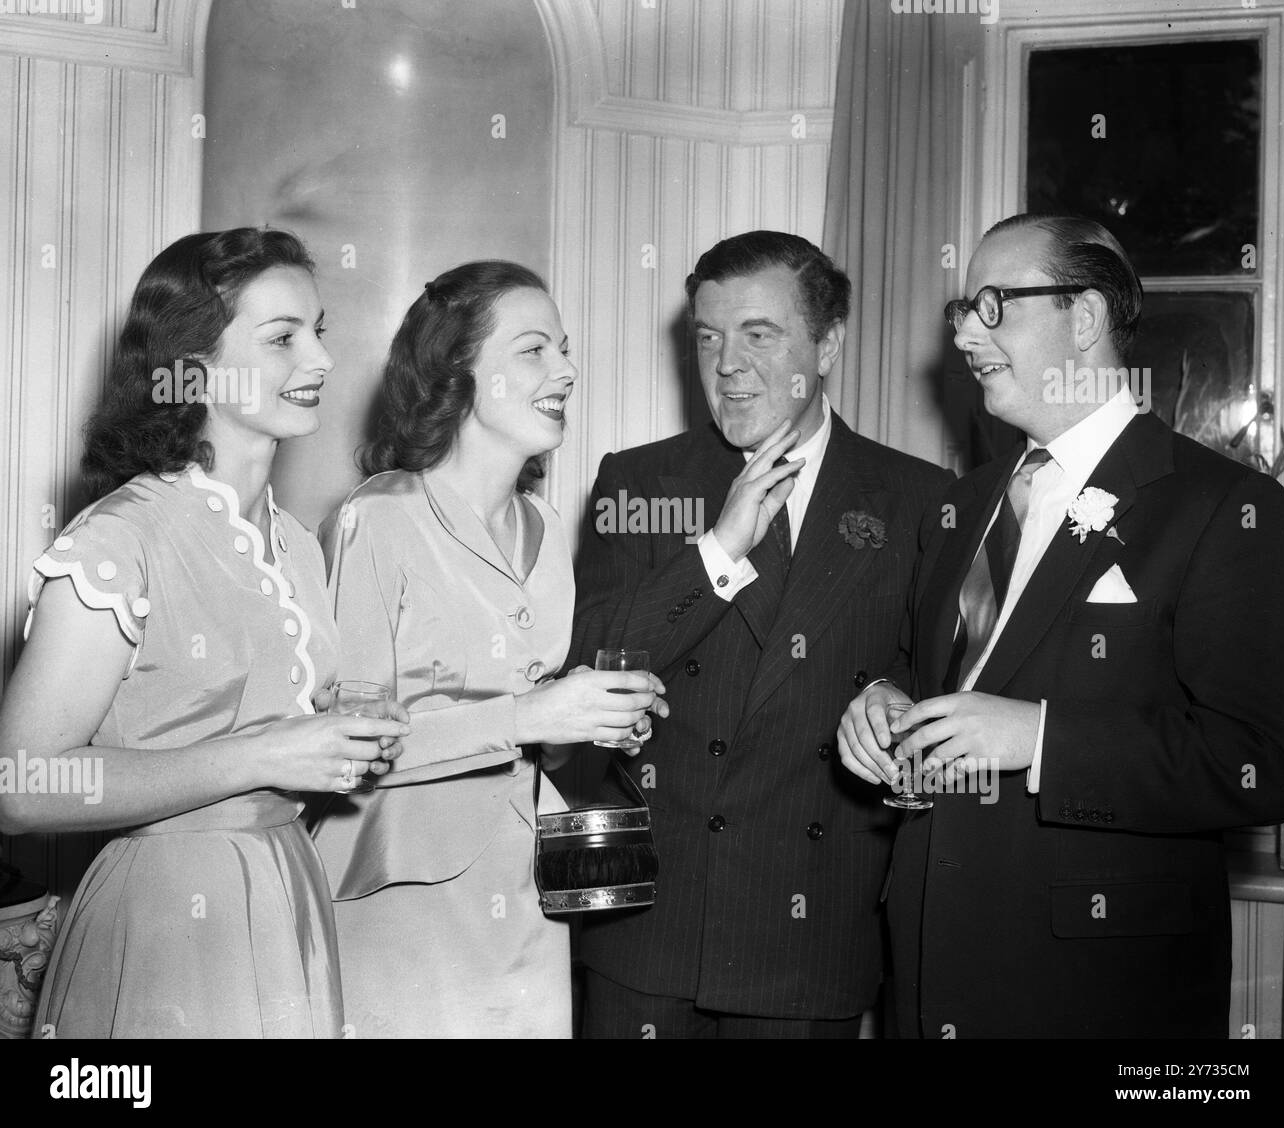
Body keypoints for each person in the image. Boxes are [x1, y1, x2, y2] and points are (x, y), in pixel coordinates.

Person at [839, 213, 1284, 1038]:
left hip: (1095, 992)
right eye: (960, 309)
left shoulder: (1225, 507)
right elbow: (925, 675)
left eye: (991, 304)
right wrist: (877, 702)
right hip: (923, 971)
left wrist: (1041, 739)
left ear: (1083, 319)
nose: (963, 334)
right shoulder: (958, 506)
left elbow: (1262, 761)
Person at [0, 227, 409, 1038]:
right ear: (195, 366)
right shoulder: (118, 540)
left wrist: (342, 750)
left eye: (317, 332)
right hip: (161, 923)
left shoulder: (294, 543)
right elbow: (21, 787)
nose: (321, 360)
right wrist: (264, 755)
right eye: (282, 338)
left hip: (288, 893)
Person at [569, 230, 952, 1037]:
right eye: (708, 337)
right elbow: (589, 672)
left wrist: (899, 715)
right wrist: (719, 549)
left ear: (829, 344)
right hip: (648, 941)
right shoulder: (640, 483)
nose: (727, 364)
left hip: (809, 942)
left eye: (759, 334)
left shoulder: (920, 500)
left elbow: (942, 693)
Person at [311, 261, 668, 1038]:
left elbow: (538, 743)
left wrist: (594, 724)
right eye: (534, 350)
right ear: (457, 373)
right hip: (398, 900)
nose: (567, 370)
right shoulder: (382, 516)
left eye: (565, 350)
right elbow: (345, 753)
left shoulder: (545, 530)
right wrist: (534, 711)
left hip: (532, 903)